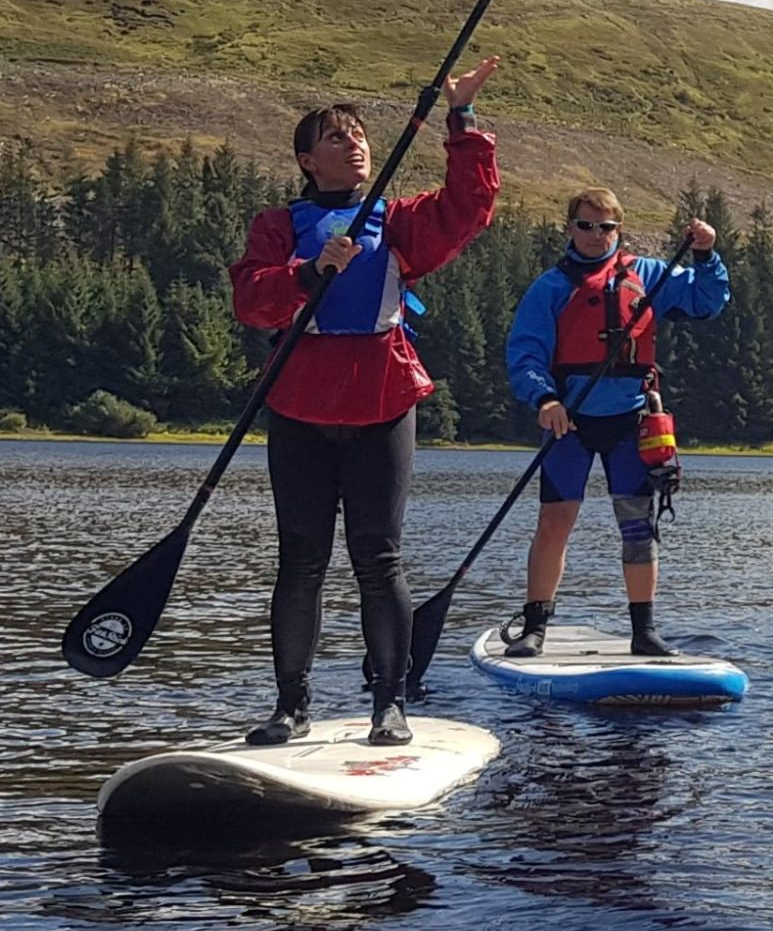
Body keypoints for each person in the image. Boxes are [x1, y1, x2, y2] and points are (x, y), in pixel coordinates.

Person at [227, 59, 502, 747]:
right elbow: (252, 298)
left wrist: (462, 121)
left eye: (359, 135)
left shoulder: (398, 222)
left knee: (378, 560)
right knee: (301, 559)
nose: (354, 143)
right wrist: (309, 269)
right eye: (335, 136)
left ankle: (390, 704)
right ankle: (291, 706)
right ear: (305, 159)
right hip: (300, 407)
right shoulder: (277, 226)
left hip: (382, 402)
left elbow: (468, 210)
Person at [502, 190, 729, 658]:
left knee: (637, 525)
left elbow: (708, 301)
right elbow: (524, 353)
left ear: (618, 231)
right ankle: (535, 626)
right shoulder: (551, 287)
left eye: (604, 227)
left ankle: (644, 630)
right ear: (570, 228)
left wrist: (706, 254)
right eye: (585, 226)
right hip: (570, 420)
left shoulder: (649, 276)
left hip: (631, 420)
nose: (594, 235)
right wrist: (544, 399)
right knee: (555, 523)